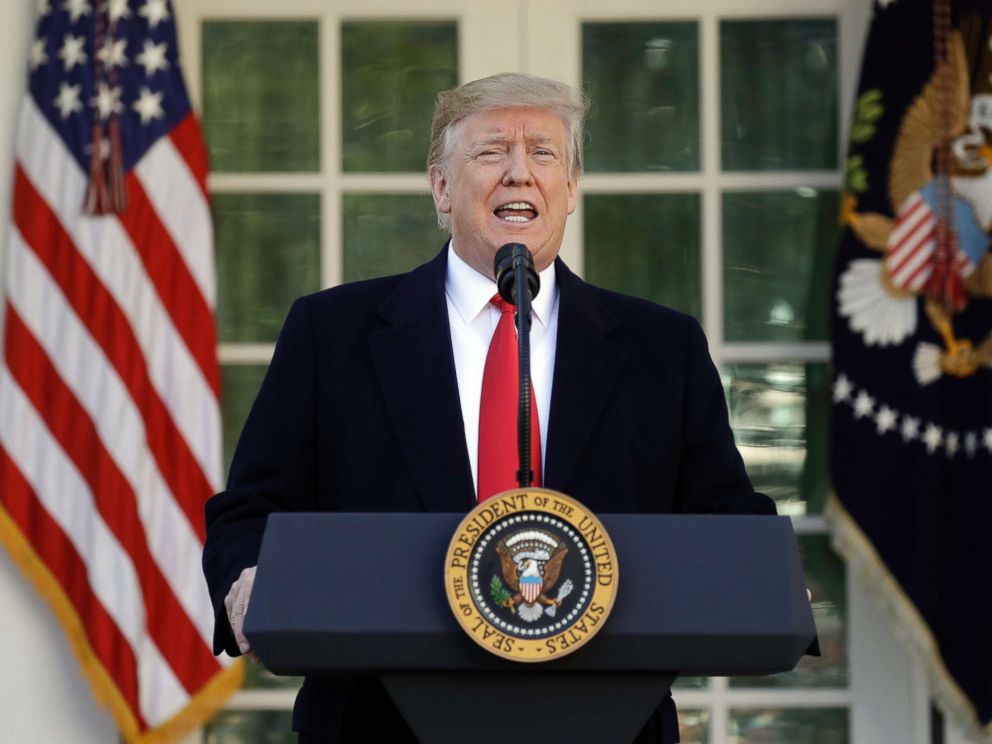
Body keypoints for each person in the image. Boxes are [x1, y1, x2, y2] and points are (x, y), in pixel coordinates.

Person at [202, 72, 776, 743]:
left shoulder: (661, 348)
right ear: (442, 188)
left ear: (571, 190)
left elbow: (724, 517)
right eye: (490, 153)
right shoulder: (333, 334)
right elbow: (249, 509)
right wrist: (249, 581)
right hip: (376, 725)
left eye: (543, 154)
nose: (518, 174)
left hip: (606, 725)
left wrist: (765, 573)